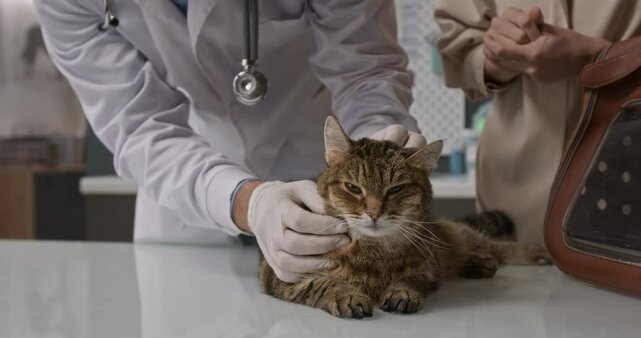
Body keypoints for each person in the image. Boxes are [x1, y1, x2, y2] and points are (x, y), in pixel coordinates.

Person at [34, 0, 425, 282]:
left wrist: (378, 137)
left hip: (320, 167)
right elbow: (138, 127)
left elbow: (365, 69)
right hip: (185, 187)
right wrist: (250, 202)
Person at [435, 1, 641, 244]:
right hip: (511, 199)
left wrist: (596, 57)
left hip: (629, 187)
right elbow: (456, 48)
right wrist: (498, 56)